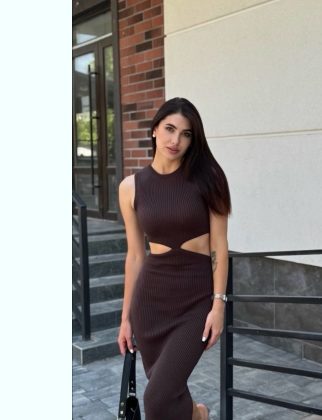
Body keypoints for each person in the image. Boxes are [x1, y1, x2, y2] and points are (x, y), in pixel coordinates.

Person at [117, 97, 231, 420]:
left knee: (157, 397)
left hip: (196, 300)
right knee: (170, 392)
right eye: (169, 129)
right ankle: (197, 415)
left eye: (186, 134)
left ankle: (198, 415)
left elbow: (219, 246)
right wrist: (126, 318)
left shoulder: (209, 178)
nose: (175, 140)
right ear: (155, 129)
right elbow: (135, 256)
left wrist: (218, 306)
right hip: (150, 304)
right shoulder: (130, 187)